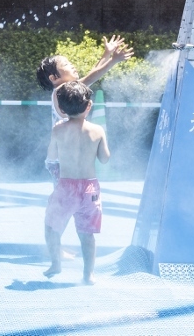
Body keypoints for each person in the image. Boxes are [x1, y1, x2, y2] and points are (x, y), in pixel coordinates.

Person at [42, 81, 110, 285]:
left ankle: (56, 263)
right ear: (88, 106)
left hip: (66, 187)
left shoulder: (58, 129)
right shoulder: (97, 131)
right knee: (87, 234)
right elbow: (105, 158)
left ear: (61, 109)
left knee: (51, 227)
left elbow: (51, 155)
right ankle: (88, 274)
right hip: (90, 188)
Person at [36, 36, 133, 177]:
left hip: (67, 158)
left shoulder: (66, 90)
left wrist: (107, 54)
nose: (72, 65)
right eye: (66, 64)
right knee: (68, 193)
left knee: (69, 193)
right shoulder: (59, 91)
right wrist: (113, 60)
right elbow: (90, 78)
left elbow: (92, 74)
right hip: (62, 162)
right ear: (53, 78)